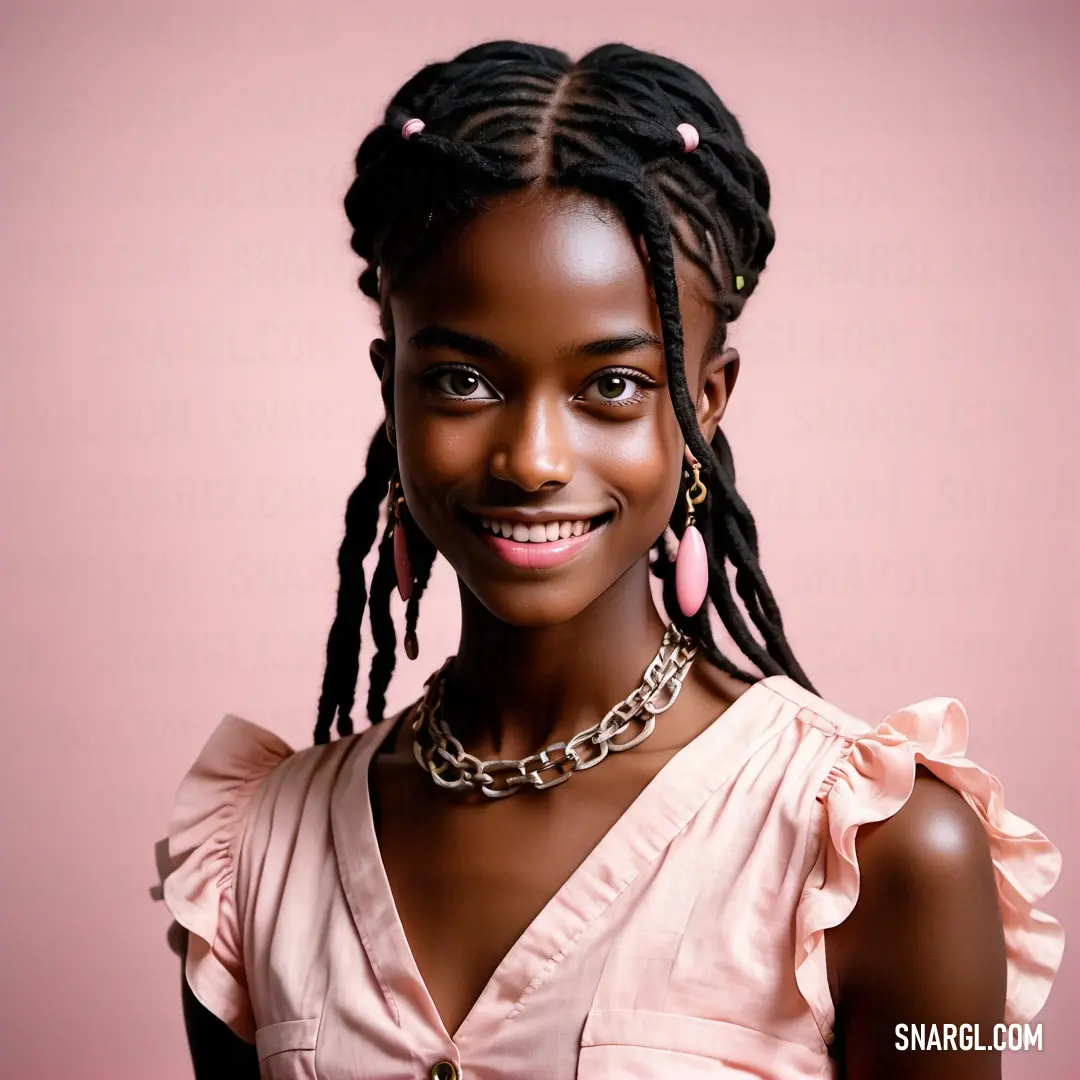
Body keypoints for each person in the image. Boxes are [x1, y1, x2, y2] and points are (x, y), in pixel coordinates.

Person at [153, 40, 1064, 1080]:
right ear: (389, 385)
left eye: (613, 387)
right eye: (460, 380)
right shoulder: (251, 862)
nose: (534, 460)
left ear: (705, 400)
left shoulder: (884, 855)